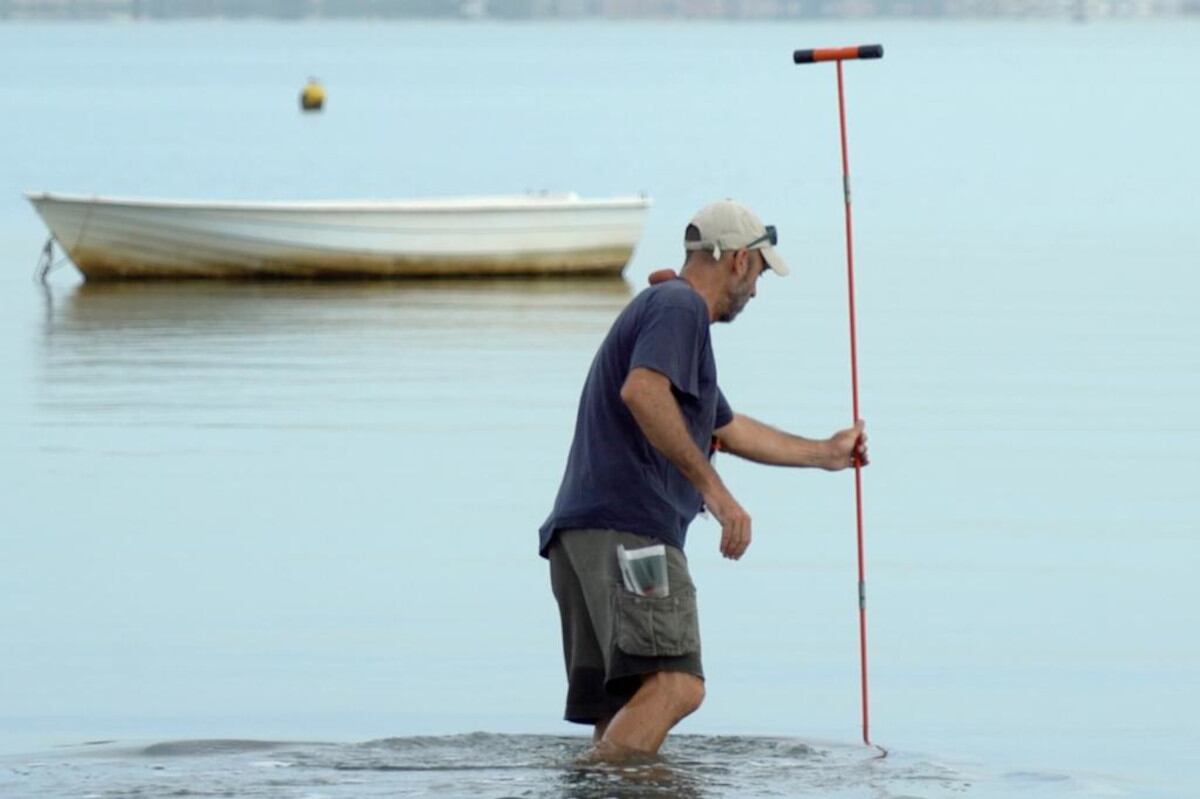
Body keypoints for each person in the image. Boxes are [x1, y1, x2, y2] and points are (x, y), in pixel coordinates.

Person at [538, 199, 868, 761]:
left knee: (624, 710)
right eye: (760, 274)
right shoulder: (678, 307)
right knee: (676, 684)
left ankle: (606, 782)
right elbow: (643, 392)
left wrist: (825, 454)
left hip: (584, 541)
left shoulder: (669, 317)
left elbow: (726, 427)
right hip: (630, 536)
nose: (756, 292)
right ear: (739, 261)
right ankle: (597, 784)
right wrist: (716, 494)